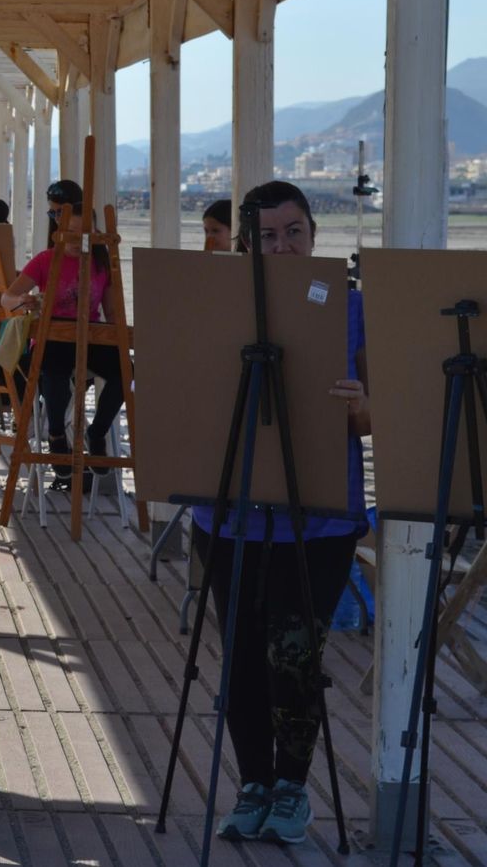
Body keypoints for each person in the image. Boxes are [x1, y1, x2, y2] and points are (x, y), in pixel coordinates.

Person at [196, 180, 368, 846]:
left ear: (313, 235)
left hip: (320, 518)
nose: (283, 245)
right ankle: (252, 785)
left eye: (293, 231)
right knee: (240, 656)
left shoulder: (353, 308)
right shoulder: (215, 310)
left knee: (294, 656)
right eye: (268, 236)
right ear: (247, 248)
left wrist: (359, 406)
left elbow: (381, 411)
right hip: (227, 516)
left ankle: (293, 789)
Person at [0, 179, 124, 490]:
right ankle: (56, 435)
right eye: (70, 233)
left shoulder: (100, 263)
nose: (76, 241)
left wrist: (122, 339)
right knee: (54, 381)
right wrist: (23, 301)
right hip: (52, 334)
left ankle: (96, 433)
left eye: (83, 234)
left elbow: (113, 314)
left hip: (90, 335)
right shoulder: (46, 260)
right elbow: (6, 298)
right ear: (58, 232)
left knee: (125, 370)